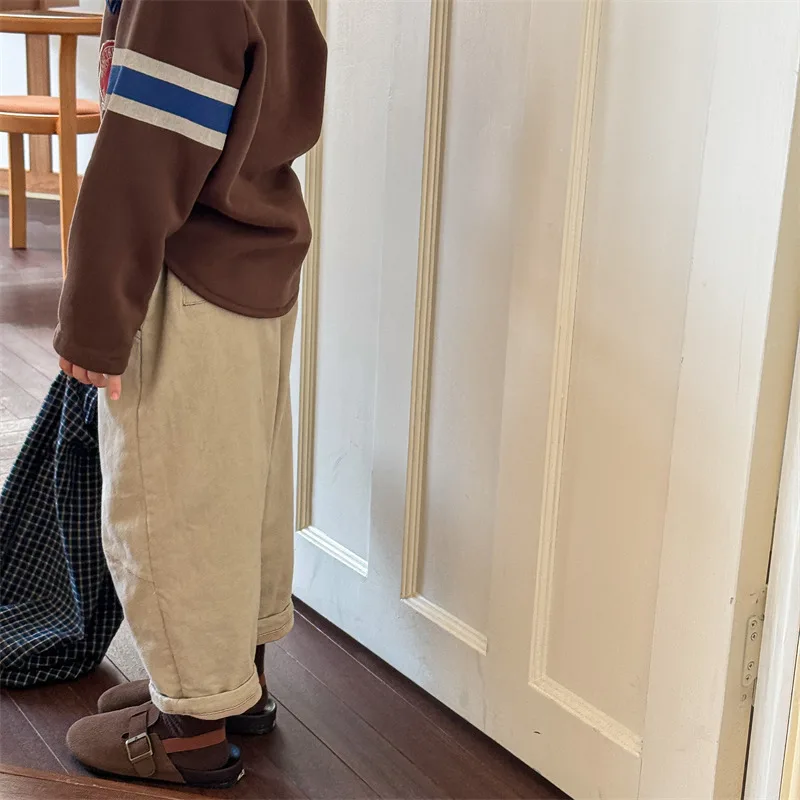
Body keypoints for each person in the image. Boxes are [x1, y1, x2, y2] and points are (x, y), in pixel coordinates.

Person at [55, 0, 327, 788]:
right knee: (240, 493)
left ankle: (188, 734)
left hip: (185, 268)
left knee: (174, 508)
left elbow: (144, 155)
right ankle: (237, 686)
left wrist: (95, 315)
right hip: (251, 249)